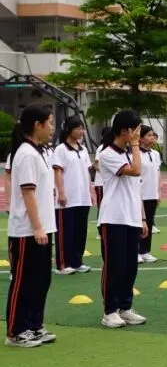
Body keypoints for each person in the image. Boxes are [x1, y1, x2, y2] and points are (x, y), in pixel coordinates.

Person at [5, 105, 56, 347]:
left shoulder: (40, 152)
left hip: (44, 227)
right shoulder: (25, 153)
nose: (52, 128)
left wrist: (44, 227)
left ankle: (34, 325)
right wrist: (37, 227)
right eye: (50, 122)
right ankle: (15, 330)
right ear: (38, 125)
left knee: (41, 279)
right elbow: (28, 193)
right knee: (23, 280)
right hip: (27, 230)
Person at [97, 111, 147, 329]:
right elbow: (135, 171)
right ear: (125, 130)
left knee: (130, 266)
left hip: (132, 217)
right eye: (136, 130)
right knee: (114, 266)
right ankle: (110, 310)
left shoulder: (129, 153)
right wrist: (135, 145)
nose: (140, 134)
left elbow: (138, 187)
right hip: (113, 217)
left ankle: (125, 307)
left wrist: (143, 218)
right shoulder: (107, 154)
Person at [52, 116, 93, 275]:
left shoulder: (82, 150)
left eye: (82, 128)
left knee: (80, 231)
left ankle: (77, 261)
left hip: (82, 197)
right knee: (65, 232)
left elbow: (87, 172)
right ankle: (63, 264)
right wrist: (61, 192)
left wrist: (90, 191)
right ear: (69, 129)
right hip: (67, 199)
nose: (81, 131)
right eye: (78, 128)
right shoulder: (60, 149)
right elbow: (57, 171)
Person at [138, 125, 162, 264]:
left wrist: (159, 191)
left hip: (152, 194)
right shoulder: (135, 154)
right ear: (140, 138)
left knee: (150, 222)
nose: (152, 138)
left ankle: (145, 251)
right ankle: (136, 250)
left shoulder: (155, 154)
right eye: (148, 135)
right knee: (139, 223)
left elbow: (157, 173)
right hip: (140, 194)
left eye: (153, 135)